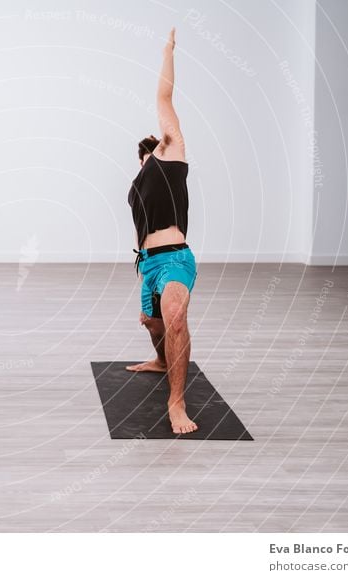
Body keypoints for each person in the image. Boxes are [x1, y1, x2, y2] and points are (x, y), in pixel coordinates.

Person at [126, 28, 199, 434]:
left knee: (174, 319)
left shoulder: (171, 154)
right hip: (148, 263)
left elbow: (164, 98)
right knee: (153, 324)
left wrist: (168, 50)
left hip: (175, 257)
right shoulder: (139, 182)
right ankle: (159, 360)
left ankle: (177, 402)